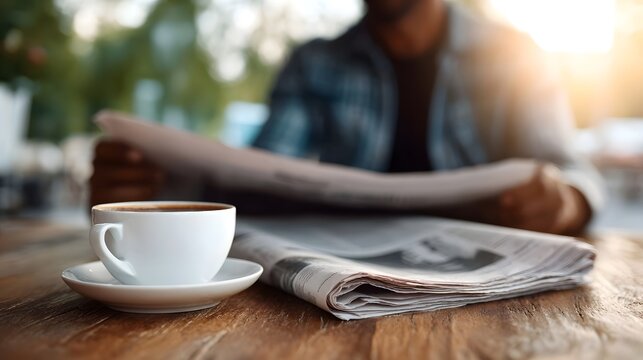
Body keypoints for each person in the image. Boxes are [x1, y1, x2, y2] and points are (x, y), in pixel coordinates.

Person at [91, 0, 603, 235]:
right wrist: (156, 191)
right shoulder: (314, 62)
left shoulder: (516, 54)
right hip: (342, 282)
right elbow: (264, 174)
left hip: (493, 287)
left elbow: (572, 170)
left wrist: (566, 204)